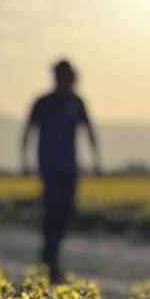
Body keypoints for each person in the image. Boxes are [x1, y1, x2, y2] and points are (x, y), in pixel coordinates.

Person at [20, 59, 100, 282]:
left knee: (66, 213)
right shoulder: (43, 102)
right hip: (49, 167)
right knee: (53, 210)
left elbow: (89, 130)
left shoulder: (76, 102)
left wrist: (96, 160)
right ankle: (50, 262)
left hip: (69, 167)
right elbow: (28, 130)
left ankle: (50, 257)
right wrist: (24, 161)